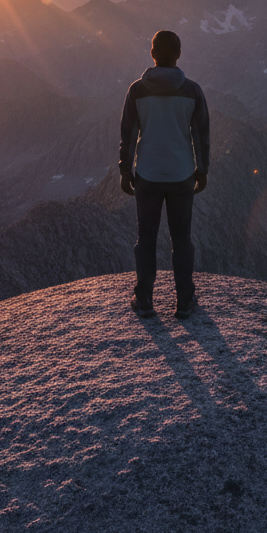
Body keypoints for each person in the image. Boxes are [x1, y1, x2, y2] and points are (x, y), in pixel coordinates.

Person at [119, 29, 210, 319]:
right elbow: (201, 135)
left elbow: (128, 134)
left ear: (152, 53)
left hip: (147, 175)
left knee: (146, 237)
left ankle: (144, 299)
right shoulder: (192, 91)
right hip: (181, 174)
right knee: (181, 238)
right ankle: (184, 300)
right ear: (179, 54)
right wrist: (202, 170)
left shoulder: (137, 90)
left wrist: (125, 170)